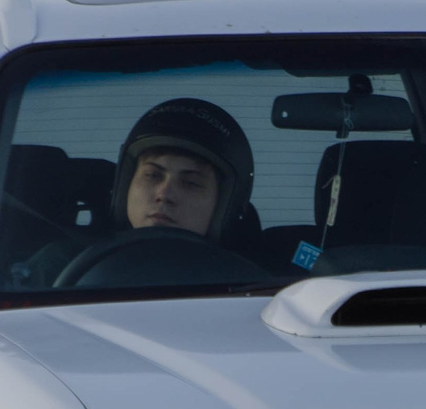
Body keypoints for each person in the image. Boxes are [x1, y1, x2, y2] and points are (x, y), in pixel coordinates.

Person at [20, 99, 262, 288]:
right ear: (125, 185)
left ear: (226, 204)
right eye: (152, 175)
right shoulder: (58, 266)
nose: (164, 194)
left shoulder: (261, 288)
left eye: (191, 183)